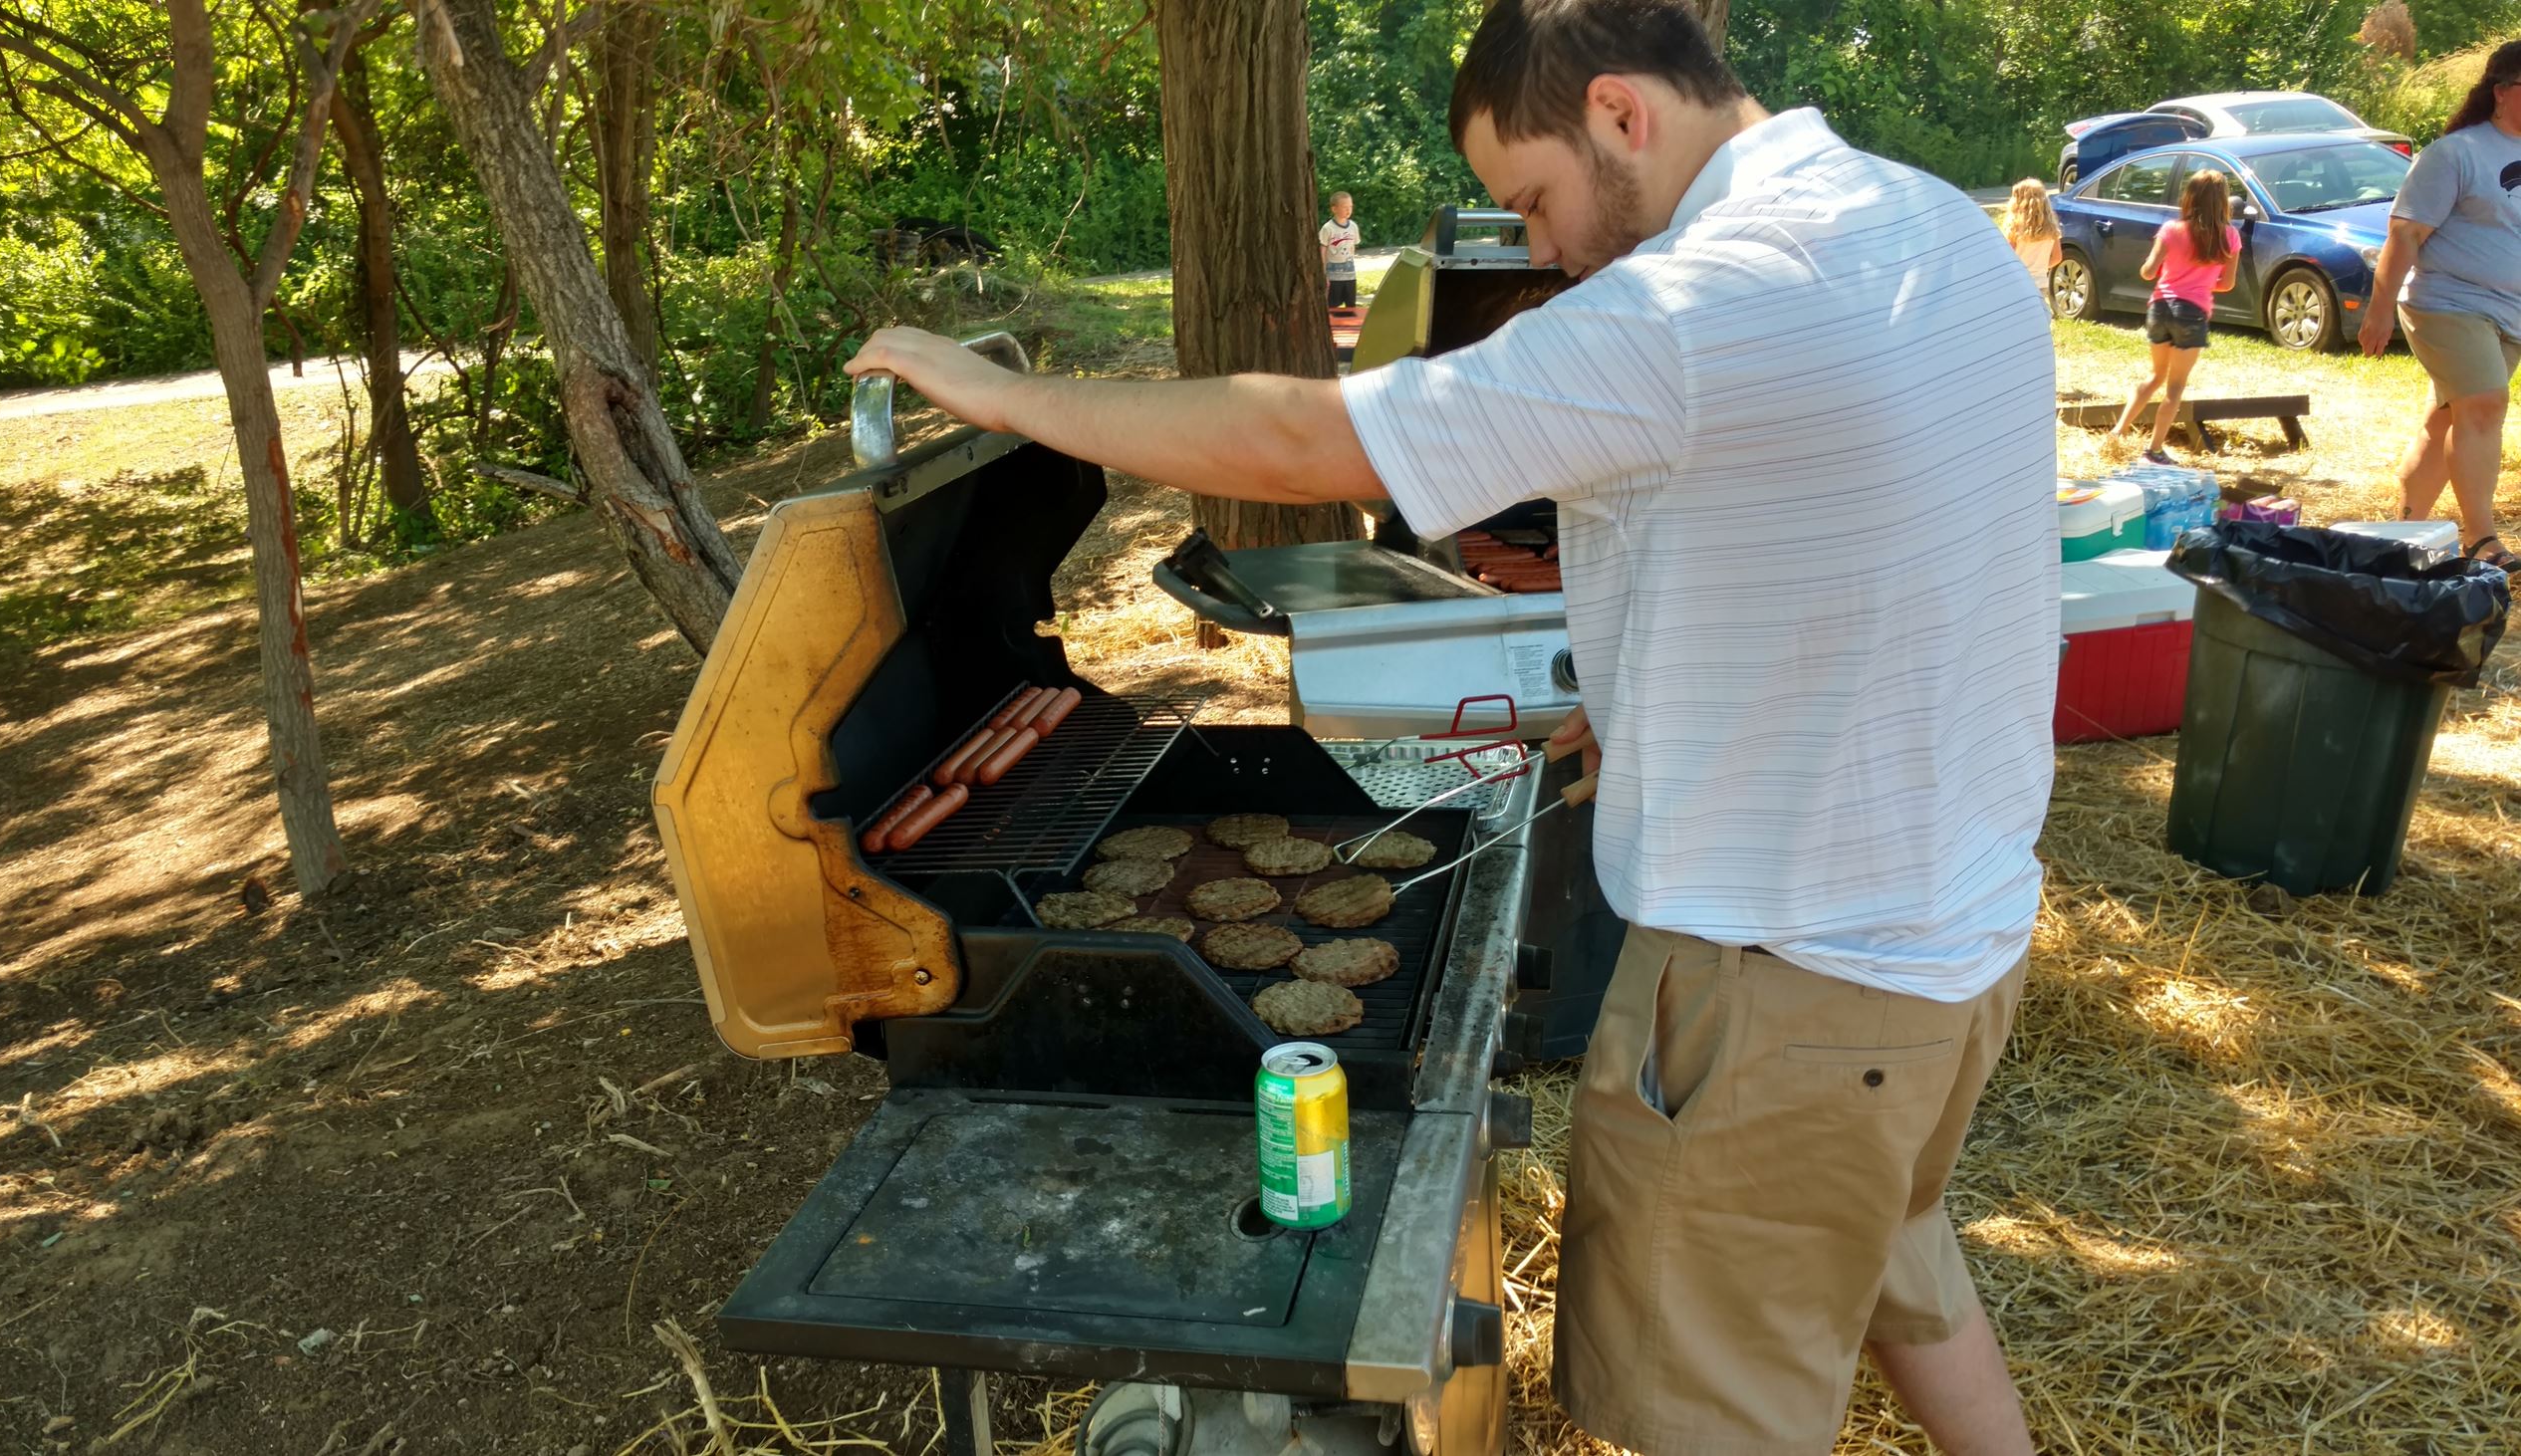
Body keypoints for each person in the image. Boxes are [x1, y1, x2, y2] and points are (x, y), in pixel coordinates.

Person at [847, 3, 2054, 1450]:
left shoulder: (1700, 297)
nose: (1540, 246)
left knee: (1705, 1410)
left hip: (1786, 989)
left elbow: (1307, 438)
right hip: (1951, 955)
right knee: (1903, 1262)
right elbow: (1890, 540)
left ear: (1619, 111)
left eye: (1532, 196)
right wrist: (1660, 707)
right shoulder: (1922, 226)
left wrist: (995, 391)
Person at [2360, 40, 2521, 573]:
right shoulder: (2457, 153)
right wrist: (2380, 308)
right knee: (2485, 406)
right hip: (2448, 302)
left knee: (2445, 419)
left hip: (2510, 312)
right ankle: (2479, 538)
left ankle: (2405, 531)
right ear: (2501, 92)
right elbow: (2404, 234)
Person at [2104, 169, 2240, 465]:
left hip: (2160, 307)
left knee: (2155, 376)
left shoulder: (2170, 229)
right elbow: (2227, 283)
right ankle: (2153, 450)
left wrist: (2170, 273)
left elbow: (2148, 271)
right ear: (2222, 202)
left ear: (2189, 197)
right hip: (2192, 312)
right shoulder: (2229, 235)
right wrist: (2201, 282)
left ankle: (2117, 431)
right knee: (2175, 386)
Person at [2000, 177, 2061, 313]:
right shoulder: (2051, 230)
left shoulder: (2014, 229)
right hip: (2040, 284)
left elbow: (2007, 258)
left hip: (2017, 284)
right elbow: (2057, 257)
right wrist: (2041, 266)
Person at [1321, 191, 1362, 310]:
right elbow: (1322, 250)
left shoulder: (1353, 226)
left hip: (1349, 275)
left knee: (1350, 305)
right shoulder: (1327, 228)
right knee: (1332, 306)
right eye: (1345, 207)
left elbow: (1353, 246)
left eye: (1350, 207)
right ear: (1334, 209)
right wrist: (1324, 273)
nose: (1348, 210)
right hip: (1333, 276)